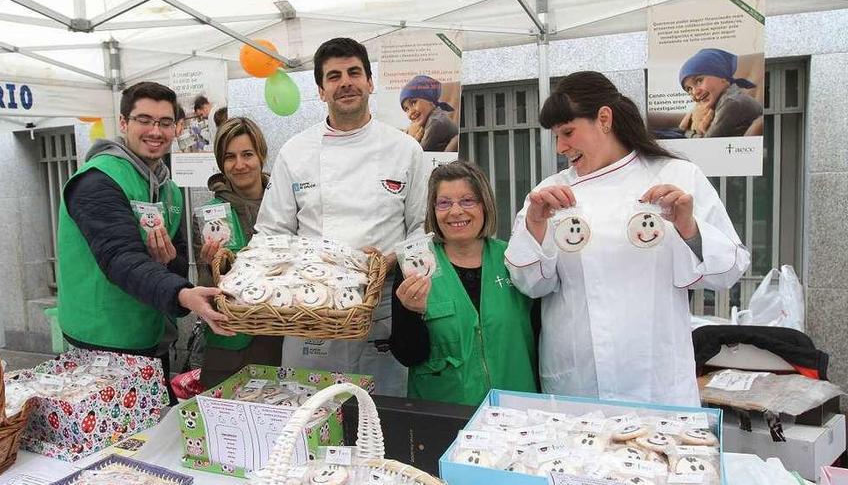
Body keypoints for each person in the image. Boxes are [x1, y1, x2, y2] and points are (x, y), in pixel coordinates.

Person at [505, 71, 750, 407]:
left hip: (655, 378)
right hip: (578, 379)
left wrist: (688, 227)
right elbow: (530, 285)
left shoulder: (676, 176)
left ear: (604, 119)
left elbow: (729, 272)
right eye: (556, 137)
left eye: (568, 132)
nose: (561, 147)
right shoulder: (549, 195)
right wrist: (534, 223)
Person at [255, 37, 431, 397]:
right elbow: (271, 235)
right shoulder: (295, 152)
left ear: (370, 82)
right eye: (333, 76)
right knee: (309, 419)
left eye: (354, 72)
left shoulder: (405, 150)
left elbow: (424, 230)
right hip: (310, 313)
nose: (345, 82)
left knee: (378, 424)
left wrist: (392, 259)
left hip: (381, 311)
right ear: (321, 91)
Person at [57, 81, 231, 392]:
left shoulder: (170, 189)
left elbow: (177, 261)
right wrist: (184, 294)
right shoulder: (97, 181)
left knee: (148, 437)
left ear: (177, 128)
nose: (156, 131)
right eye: (144, 120)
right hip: (101, 344)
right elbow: (120, 258)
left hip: (153, 339)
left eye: (165, 122)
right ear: (123, 123)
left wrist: (169, 266)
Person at [390, 161, 537, 406]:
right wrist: (412, 313)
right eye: (444, 203)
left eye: (467, 201)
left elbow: (539, 334)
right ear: (433, 211)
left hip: (516, 411)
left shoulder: (515, 260)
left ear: (485, 205)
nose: (456, 211)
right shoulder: (414, 266)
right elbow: (408, 355)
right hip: (445, 413)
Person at [194, 116, 282, 387]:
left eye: (247, 154)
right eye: (230, 157)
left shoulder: (284, 204)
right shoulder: (212, 215)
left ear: (262, 156)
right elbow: (205, 291)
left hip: (280, 336)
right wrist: (210, 267)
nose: (240, 164)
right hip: (230, 343)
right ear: (222, 163)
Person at [679, 48, 762, 138]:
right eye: (689, 89)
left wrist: (688, 132)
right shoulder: (719, 100)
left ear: (722, 76)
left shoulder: (731, 103)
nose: (695, 92)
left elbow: (707, 141)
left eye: (699, 80)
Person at [400, 75, 459, 152]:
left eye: (414, 102)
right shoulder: (429, 118)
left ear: (429, 100)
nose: (411, 112)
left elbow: (418, 153)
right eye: (406, 109)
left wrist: (413, 138)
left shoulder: (435, 122)